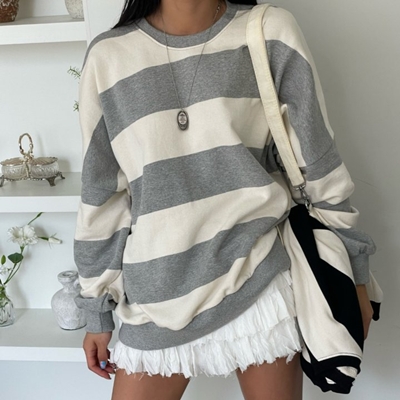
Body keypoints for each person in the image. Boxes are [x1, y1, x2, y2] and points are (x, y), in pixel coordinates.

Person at [73, 1, 376, 399]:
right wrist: (97, 306)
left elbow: (318, 165)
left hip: (258, 280)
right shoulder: (108, 56)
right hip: (157, 293)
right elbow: (102, 195)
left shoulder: (268, 30)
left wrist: (354, 274)